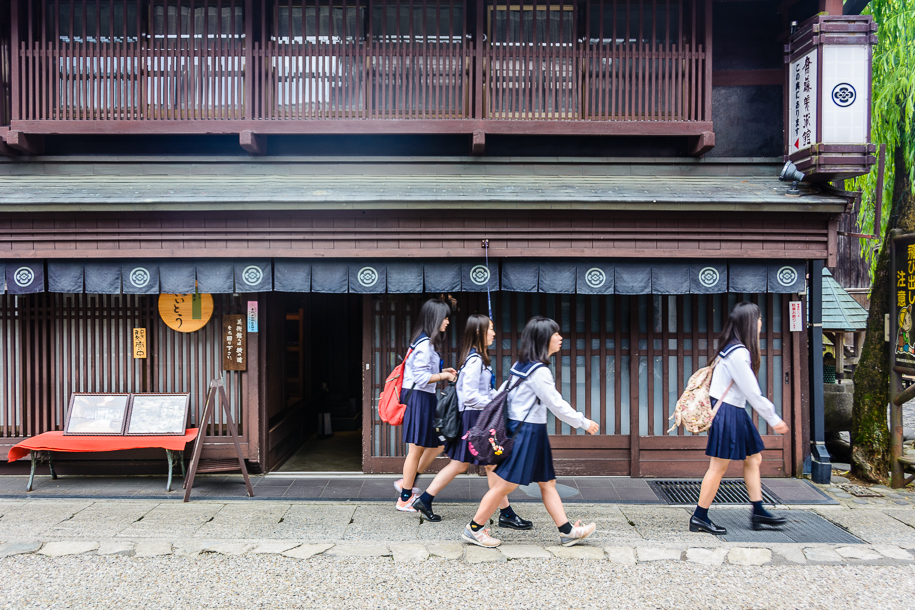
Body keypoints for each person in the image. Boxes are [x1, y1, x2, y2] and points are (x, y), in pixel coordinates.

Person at [461, 316, 600, 548]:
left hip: (530, 433)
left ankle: (567, 531)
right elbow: (556, 404)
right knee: (505, 485)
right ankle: (474, 528)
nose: (560, 337)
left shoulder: (522, 365)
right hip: (526, 434)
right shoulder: (540, 371)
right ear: (544, 338)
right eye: (556, 333)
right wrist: (583, 422)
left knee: (547, 483)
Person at [411, 314, 532, 530]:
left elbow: (480, 392)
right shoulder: (475, 360)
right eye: (491, 329)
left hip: (475, 417)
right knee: (491, 464)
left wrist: (500, 395)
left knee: (465, 464)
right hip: (476, 419)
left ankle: (426, 500)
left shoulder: (477, 358)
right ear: (479, 332)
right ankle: (506, 514)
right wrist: (492, 403)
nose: (494, 333)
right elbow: (469, 396)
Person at [689, 302, 790, 535]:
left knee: (754, 458)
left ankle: (758, 511)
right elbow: (752, 391)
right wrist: (773, 418)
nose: (760, 323)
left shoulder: (731, 349)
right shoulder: (738, 353)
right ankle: (699, 517)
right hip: (728, 411)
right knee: (718, 467)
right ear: (749, 323)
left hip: (734, 411)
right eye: (758, 319)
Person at [394, 298, 457, 512]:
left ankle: (407, 483)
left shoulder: (424, 341)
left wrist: (443, 372)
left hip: (424, 398)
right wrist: (444, 375)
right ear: (435, 318)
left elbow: (423, 374)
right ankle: (404, 496)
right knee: (416, 449)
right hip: (419, 398)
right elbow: (421, 378)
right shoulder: (424, 344)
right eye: (445, 317)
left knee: (436, 443)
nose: (447, 322)